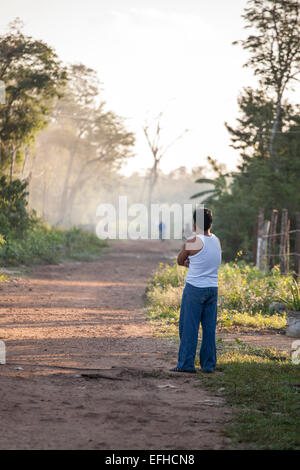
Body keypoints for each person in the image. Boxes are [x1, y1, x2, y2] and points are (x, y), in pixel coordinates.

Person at [170, 208, 222, 374]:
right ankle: (208, 365)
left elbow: (180, 260)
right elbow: (209, 260)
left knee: (189, 327)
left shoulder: (193, 240)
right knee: (209, 329)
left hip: (194, 289)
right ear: (210, 224)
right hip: (212, 289)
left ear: (195, 223)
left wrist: (187, 262)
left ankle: (186, 364)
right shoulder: (216, 240)